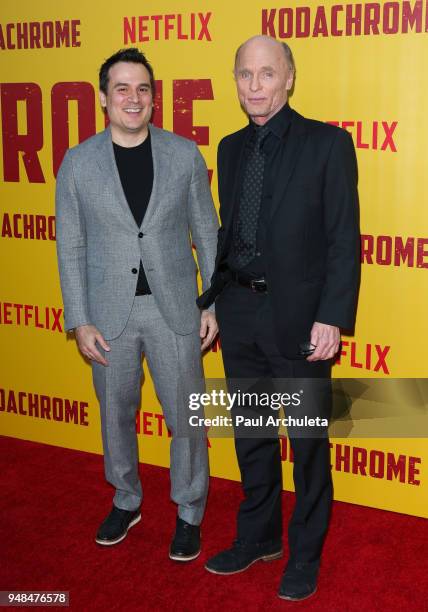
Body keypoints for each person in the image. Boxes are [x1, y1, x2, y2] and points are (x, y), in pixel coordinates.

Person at [198, 36, 360, 600]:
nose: (255, 85)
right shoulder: (229, 147)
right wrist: (213, 300)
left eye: (267, 73)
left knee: (309, 443)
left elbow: (343, 239)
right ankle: (259, 538)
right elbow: (228, 235)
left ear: (289, 78)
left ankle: (305, 554)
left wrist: (332, 317)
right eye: (245, 74)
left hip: (299, 320)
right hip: (240, 314)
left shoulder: (327, 145)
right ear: (236, 80)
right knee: (253, 436)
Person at [55, 48, 219, 559]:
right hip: (108, 317)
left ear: (154, 97)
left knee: (187, 418)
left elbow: (207, 234)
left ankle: (189, 511)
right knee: (115, 416)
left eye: (143, 88)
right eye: (122, 88)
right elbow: (71, 245)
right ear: (104, 98)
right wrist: (79, 319)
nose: (133, 97)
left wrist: (211, 305)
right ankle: (126, 499)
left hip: (176, 311)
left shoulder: (184, 154)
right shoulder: (78, 162)